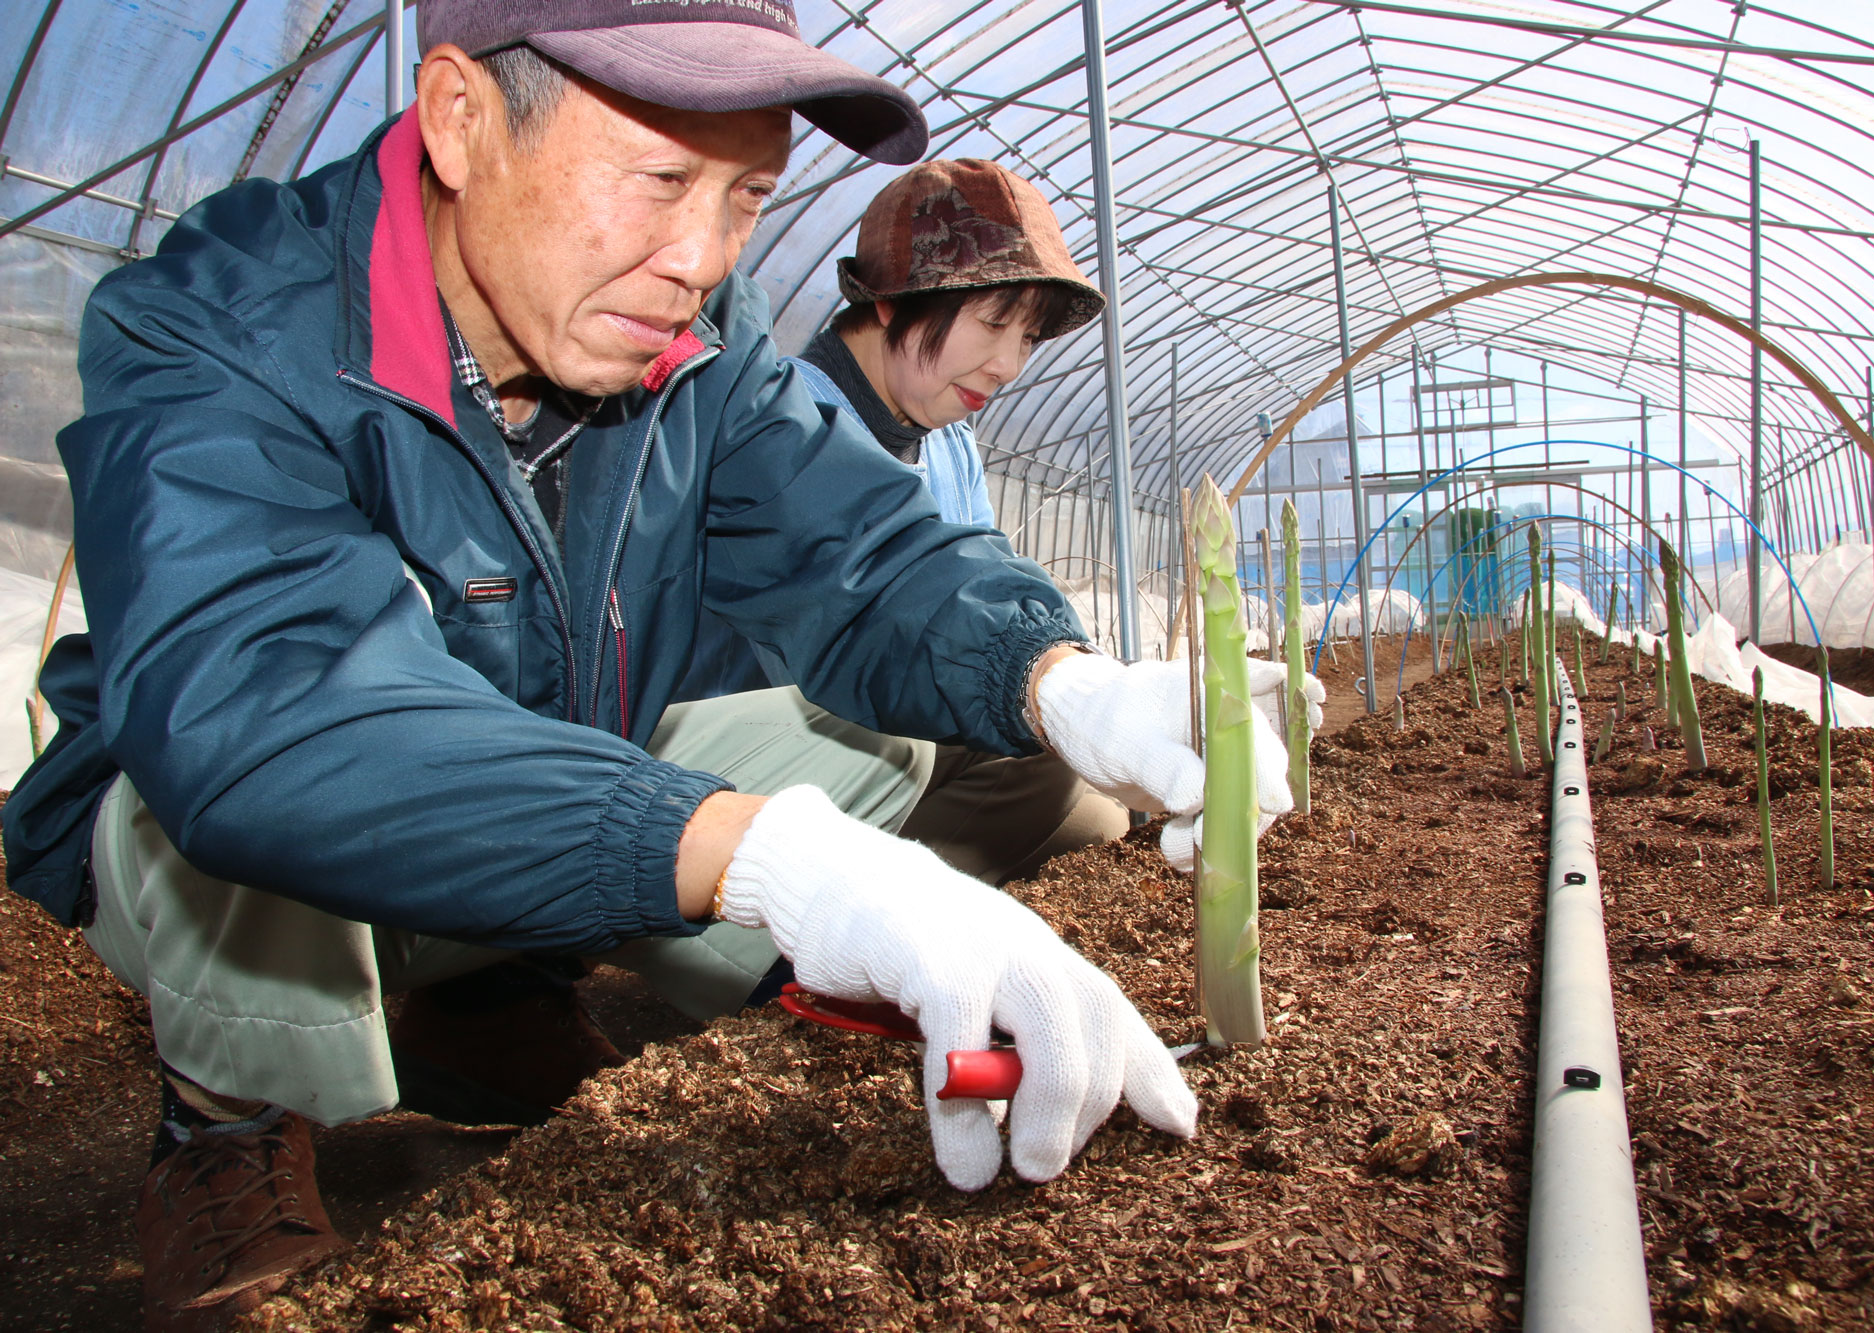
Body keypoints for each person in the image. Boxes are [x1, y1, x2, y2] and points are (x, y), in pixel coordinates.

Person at [0, 3, 1306, 1327]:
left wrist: (1066, 684)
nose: (700, 257)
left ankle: (492, 995)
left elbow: (864, 543)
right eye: (660, 177)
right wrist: (784, 864)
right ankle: (226, 1128)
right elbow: (266, 705)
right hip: (214, 809)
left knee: (850, 753)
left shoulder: (696, 341)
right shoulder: (224, 322)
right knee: (286, 771)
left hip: (534, 778)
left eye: (746, 196)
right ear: (459, 120)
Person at [678, 157, 1128, 887]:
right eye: (992, 322)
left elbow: (981, 578)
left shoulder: (949, 437)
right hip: (774, 746)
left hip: (889, 737)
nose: (1008, 364)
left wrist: (1083, 685)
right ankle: (810, 921)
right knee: (1031, 785)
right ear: (890, 301)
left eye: (1029, 339)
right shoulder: (785, 415)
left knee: (1093, 813)